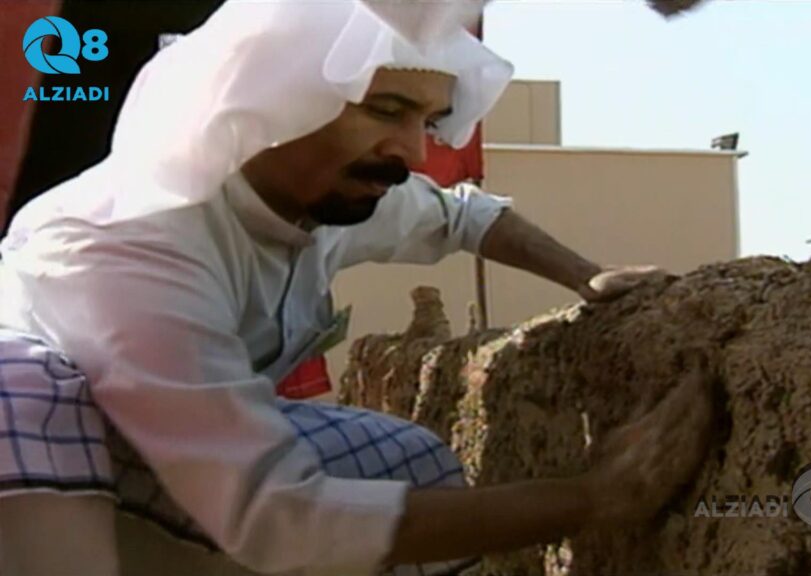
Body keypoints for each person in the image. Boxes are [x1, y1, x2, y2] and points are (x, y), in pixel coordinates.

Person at [0, 1, 713, 575]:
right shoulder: (135, 240)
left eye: (428, 121)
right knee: (25, 394)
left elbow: (465, 217)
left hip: (191, 460)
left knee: (410, 465)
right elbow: (275, 519)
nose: (413, 151)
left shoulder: (329, 195)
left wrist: (585, 273)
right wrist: (592, 498)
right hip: (50, 480)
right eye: (386, 109)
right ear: (277, 100)